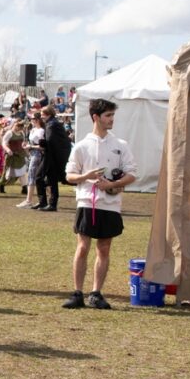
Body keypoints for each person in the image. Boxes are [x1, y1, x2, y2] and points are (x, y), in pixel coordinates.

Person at [62, 99, 138, 309]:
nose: (111, 119)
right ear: (96, 117)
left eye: (113, 115)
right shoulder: (81, 146)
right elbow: (69, 175)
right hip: (87, 202)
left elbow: (132, 173)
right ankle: (77, 293)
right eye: (108, 116)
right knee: (83, 247)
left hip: (110, 204)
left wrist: (113, 184)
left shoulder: (120, 145)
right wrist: (85, 176)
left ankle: (96, 293)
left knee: (104, 249)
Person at [33, 105, 71, 212]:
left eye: (42, 115)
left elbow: (49, 141)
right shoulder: (53, 123)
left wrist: (41, 143)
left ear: (48, 114)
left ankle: (45, 202)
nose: (41, 117)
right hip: (55, 155)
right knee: (51, 179)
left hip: (51, 155)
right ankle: (49, 203)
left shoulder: (51, 124)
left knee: (40, 177)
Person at [17, 113, 45, 208]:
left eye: (32, 118)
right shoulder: (33, 130)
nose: (31, 120)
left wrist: (31, 146)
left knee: (31, 175)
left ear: (37, 120)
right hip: (31, 153)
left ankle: (29, 200)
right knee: (34, 176)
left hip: (37, 154)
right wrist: (26, 145)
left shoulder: (41, 131)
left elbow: (42, 146)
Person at [0, 117, 27, 194]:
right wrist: (8, 150)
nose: (20, 127)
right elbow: (4, 143)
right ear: (15, 125)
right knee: (7, 172)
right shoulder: (9, 133)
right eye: (19, 126)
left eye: (21, 126)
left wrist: (24, 146)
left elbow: (23, 142)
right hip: (11, 155)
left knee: (22, 171)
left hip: (20, 155)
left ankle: (24, 188)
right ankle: (1, 185)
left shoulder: (22, 133)